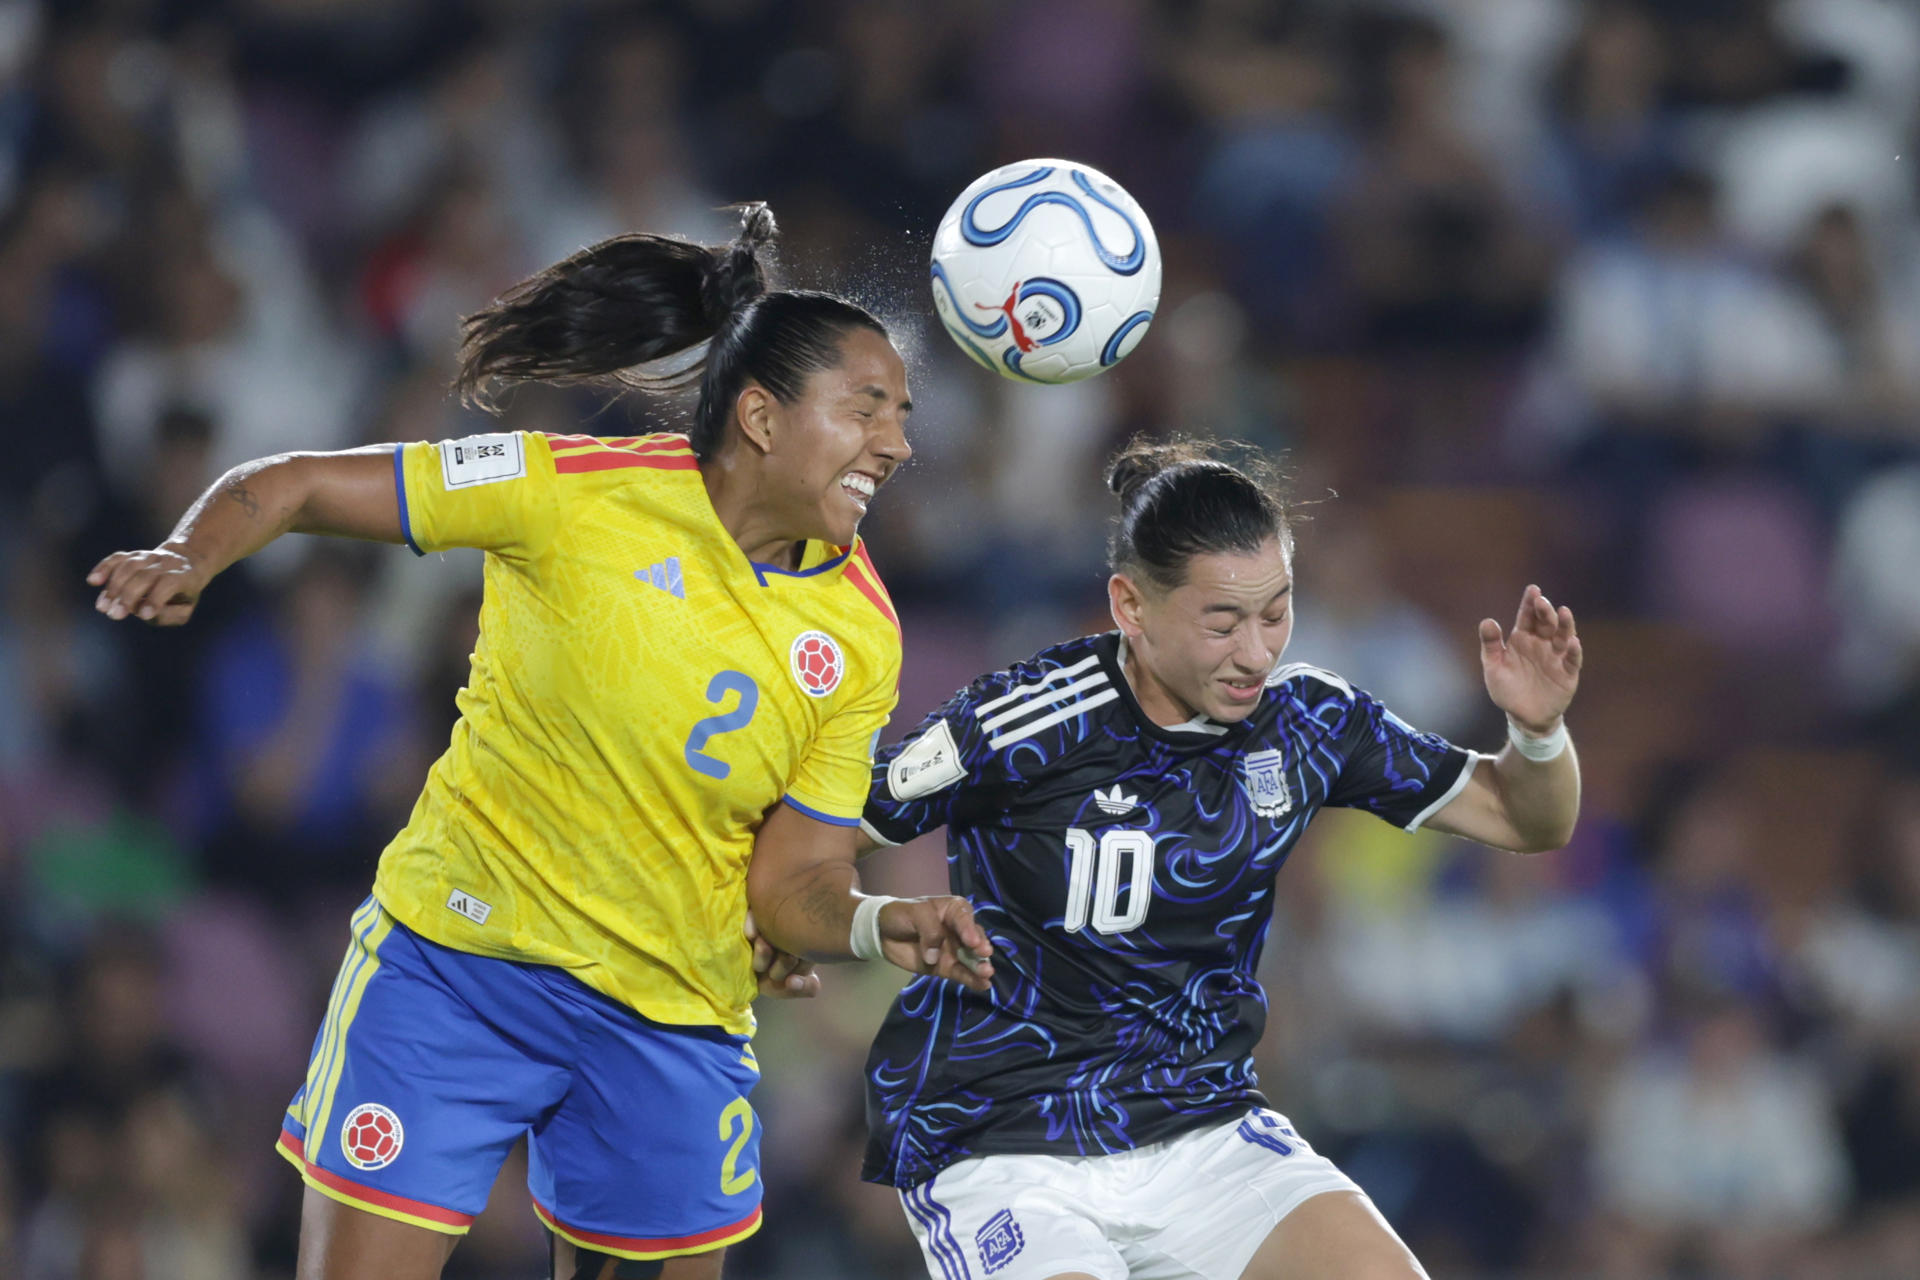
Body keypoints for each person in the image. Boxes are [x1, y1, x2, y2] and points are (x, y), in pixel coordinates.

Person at [87, 204, 994, 1280]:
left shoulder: (861, 633)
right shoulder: (569, 494)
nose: (896, 442)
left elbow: (794, 881)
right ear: (760, 415)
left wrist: (877, 919)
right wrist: (189, 552)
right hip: (455, 970)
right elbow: (293, 485)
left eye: (900, 415)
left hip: (669, 1017)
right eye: (867, 409)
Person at [853, 438, 1582, 1280]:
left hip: (1203, 1129)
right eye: (1223, 622)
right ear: (1131, 606)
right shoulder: (1025, 722)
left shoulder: (1309, 724)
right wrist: (866, 924)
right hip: (1006, 1139)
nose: (1256, 652)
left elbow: (1527, 819)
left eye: (1276, 612)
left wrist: (1537, 731)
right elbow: (827, 837)